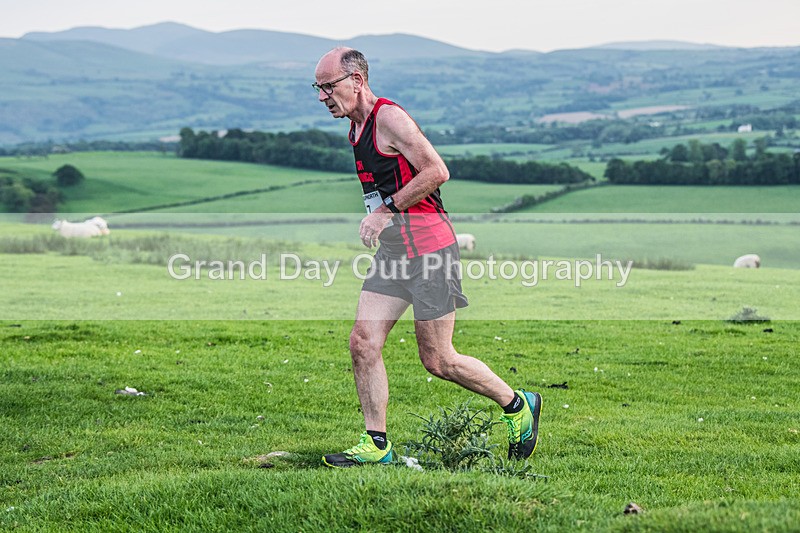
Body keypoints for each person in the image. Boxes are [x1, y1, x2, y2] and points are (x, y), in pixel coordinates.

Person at [313, 47, 541, 467]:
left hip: (431, 250)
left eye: (328, 86)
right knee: (363, 342)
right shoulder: (356, 127)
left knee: (438, 359)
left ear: (357, 80)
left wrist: (385, 211)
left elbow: (436, 171)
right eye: (318, 88)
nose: (322, 96)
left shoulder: (389, 118)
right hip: (395, 252)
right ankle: (377, 445)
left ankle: (517, 404)